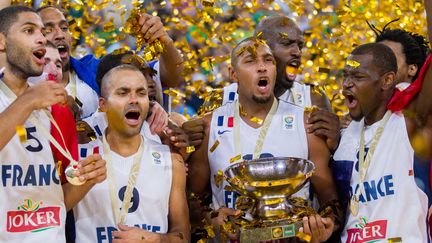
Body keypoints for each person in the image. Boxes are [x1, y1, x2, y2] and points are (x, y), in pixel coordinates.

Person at [188, 37, 341, 242]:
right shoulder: (210, 127)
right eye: (250, 61)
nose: (262, 67)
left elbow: (331, 199)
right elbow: (191, 200)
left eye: (268, 60)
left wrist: (328, 224)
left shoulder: (306, 124)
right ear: (233, 74)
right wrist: (210, 218)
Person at [0, 6, 106, 242]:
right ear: (1, 42)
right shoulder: (33, 100)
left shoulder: (56, 109)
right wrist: (28, 101)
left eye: (41, 31)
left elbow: (58, 201)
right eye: (29, 30)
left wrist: (87, 179)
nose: (41, 38)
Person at [72, 53, 190, 243]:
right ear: (103, 104)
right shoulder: (80, 156)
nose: (134, 99)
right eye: (123, 92)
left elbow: (183, 237)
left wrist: (152, 239)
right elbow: (54, 211)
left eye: (141, 93)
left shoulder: (171, 160)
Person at [333, 42, 432, 242]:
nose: (346, 84)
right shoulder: (345, 135)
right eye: (346, 76)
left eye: (358, 77)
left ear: (387, 80)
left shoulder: (410, 122)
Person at [37, 5, 184, 119]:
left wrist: (165, 41)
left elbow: (170, 77)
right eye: (48, 30)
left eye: (64, 28)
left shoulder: (97, 69)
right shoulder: (23, 84)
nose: (60, 35)